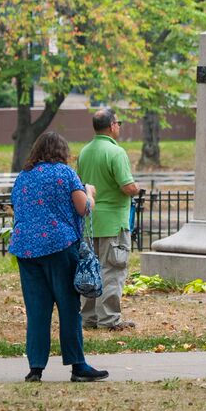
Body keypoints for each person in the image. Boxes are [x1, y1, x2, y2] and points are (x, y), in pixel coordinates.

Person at [8, 131, 108, 382]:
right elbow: (83, 207)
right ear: (61, 152)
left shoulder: (23, 177)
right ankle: (78, 365)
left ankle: (36, 368)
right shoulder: (65, 174)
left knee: (37, 311)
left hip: (26, 250)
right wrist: (90, 193)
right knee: (68, 307)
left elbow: (17, 207)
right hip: (58, 247)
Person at [76, 107, 139, 331]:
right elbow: (126, 186)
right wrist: (136, 189)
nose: (119, 126)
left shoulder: (84, 152)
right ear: (112, 125)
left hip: (89, 223)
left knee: (90, 269)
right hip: (113, 222)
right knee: (112, 270)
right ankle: (109, 320)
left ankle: (88, 318)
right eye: (118, 123)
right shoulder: (116, 152)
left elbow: (80, 185)